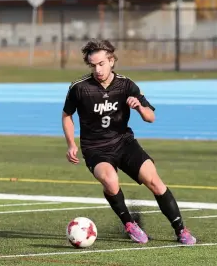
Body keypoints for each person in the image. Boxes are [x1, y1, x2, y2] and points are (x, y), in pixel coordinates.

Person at [62, 39, 196, 245]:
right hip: (95, 148)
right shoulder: (79, 88)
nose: (97, 69)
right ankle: (129, 224)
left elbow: (151, 117)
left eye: (101, 64)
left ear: (112, 61)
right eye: (93, 65)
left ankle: (181, 230)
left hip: (124, 143)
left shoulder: (126, 85)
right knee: (110, 180)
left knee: (155, 182)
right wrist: (71, 144)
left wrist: (139, 108)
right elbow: (67, 116)